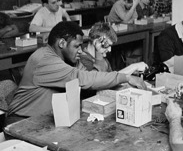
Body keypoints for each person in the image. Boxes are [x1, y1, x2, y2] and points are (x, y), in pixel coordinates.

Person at [6, 21, 147, 122]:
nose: (81, 50)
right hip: (21, 121)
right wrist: (126, 77)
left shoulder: (70, 59)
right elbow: (84, 79)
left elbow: (92, 78)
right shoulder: (44, 59)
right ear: (61, 43)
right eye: (77, 46)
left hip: (46, 118)